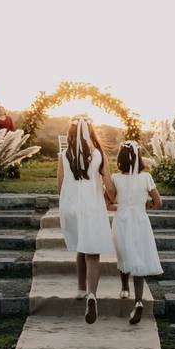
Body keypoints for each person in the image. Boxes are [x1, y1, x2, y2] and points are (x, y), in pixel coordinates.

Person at [56, 116, 115, 325]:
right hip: (92, 208)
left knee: (81, 246)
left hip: (71, 207)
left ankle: (80, 289)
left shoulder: (64, 155)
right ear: (90, 131)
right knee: (93, 253)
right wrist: (111, 197)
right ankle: (92, 294)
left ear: (71, 134)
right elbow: (108, 184)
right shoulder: (99, 154)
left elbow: (59, 185)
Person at [110, 141, 163, 325]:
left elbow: (106, 201)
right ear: (139, 158)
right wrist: (144, 205)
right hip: (140, 220)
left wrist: (118, 205)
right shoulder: (146, 177)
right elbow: (158, 203)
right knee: (138, 259)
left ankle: (124, 288)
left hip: (122, 220)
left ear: (120, 159)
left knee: (123, 253)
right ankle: (139, 300)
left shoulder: (115, 178)